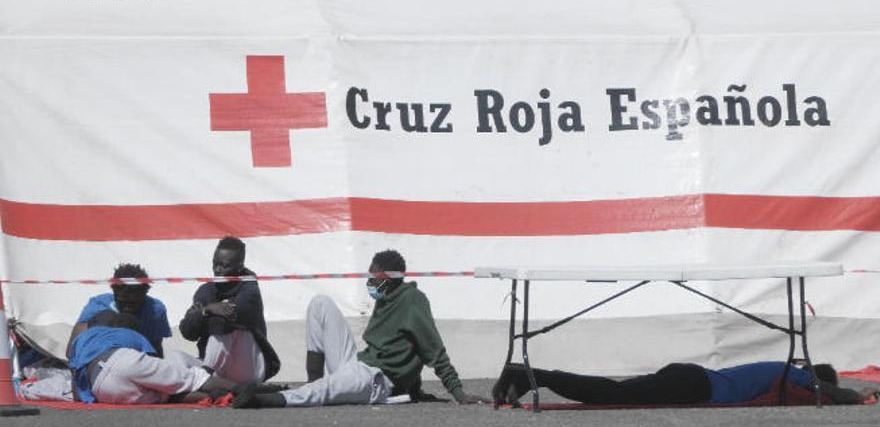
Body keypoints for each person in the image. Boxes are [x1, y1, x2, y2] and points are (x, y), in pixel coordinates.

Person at [233, 249, 487, 408]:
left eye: (375, 278)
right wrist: (416, 389)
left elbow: (431, 349)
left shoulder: (412, 301)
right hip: (358, 364)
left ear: (389, 280)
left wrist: (459, 393)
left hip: (376, 380)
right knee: (320, 303)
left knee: (327, 391)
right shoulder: (386, 298)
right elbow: (404, 345)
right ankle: (313, 382)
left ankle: (264, 400)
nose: (370, 282)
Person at [492, 361, 880, 406]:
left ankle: (530, 375)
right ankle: (531, 375)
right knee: (613, 395)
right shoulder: (795, 375)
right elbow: (827, 392)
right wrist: (859, 396)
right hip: (696, 387)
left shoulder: (778, 365)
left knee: (614, 390)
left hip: (690, 375)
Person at [69, 310, 245, 404]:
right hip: (121, 360)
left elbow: (77, 392)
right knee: (192, 378)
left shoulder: (81, 340)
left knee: (166, 397)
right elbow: (154, 364)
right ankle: (242, 388)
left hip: (102, 388)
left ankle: (215, 396)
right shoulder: (130, 335)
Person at [179, 236, 280, 383]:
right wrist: (206, 310)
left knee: (221, 321)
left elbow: (228, 311)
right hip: (215, 366)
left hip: (247, 367)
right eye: (215, 264)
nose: (218, 270)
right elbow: (188, 333)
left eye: (224, 266)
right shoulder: (205, 290)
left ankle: (204, 378)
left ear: (239, 267)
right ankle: (207, 378)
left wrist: (208, 312)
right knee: (174, 357)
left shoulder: (250, 290)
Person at [66, 263, 171, 359]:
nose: (128, 308)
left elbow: (155, 349)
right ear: (114, 293)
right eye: (123, 302)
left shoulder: (155, 310)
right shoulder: (99, 305)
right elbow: (72, 350)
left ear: (145, 294)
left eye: (133, 303)